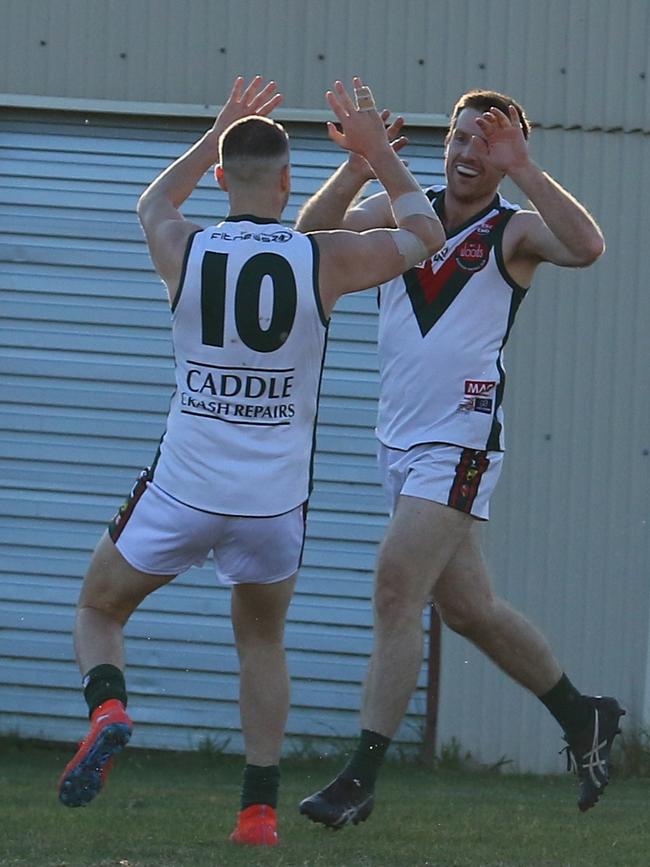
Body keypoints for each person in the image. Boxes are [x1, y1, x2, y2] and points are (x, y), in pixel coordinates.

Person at [56, 74, 445, 847]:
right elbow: (425, 236)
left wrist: (216, 132)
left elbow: (151, 203)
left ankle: (108, 707)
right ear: (290, 182)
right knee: (261, 642)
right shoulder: (319, 257)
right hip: (271, 502)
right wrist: (374, 157)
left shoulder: (188, 248)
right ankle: (258, 813)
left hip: (184, 485)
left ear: (225, 177)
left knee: (100, 608)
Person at [297, 88, 625, 829]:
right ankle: (585, 715)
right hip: (401, 444)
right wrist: (357, 167)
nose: (469, 150)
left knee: (393, 587)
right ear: (441, 145)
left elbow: (587, 245)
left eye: (488, 141)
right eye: (460, 136)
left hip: (461, 440)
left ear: (504, 156)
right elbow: (308, 238)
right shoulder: (401, 212)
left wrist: (529, 169)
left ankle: (361, 774)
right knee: (469, 608)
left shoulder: (513, 231)